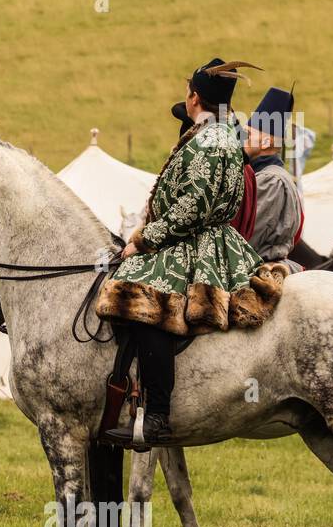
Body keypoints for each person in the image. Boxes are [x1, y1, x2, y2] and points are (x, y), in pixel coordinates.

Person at [96, 58, 287, 448]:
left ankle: (158, 417)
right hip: (204, 238)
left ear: (194, 97)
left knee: (146, 302)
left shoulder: (208, 141)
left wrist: (144, 239)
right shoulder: (221, 136)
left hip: (195, 242)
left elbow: (192, 205)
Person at [243, 86, 304, 262]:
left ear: (266, 142)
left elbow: (246, 238)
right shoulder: (263, 175)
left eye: (248, 134)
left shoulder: (271, 180)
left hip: (261, 267)